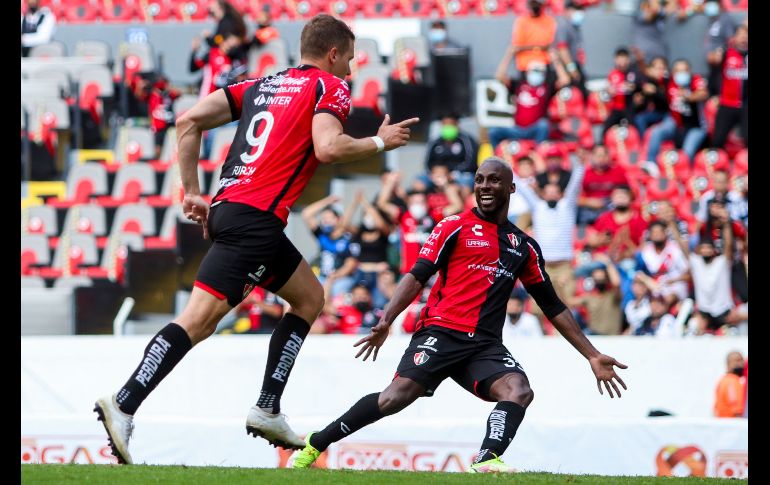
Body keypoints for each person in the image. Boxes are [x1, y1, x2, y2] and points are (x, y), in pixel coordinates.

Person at [93, 14, 419, 464]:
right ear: (332, 54)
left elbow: (187, 121)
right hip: (256, 221)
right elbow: (328, 148)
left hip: (232, 210)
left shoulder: (262, 85)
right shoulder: (330, 86)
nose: (350, 68)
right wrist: (379, 142)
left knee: (309, 297)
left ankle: (267, 407)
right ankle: (125, 402)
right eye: (348, 57)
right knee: (197, 321)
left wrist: (191, 192)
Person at [290, 158, 628, 472]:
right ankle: (316, 442)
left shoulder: (523, 246)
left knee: (519, 390)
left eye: (493, 180)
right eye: (479, 180)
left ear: (511, 188)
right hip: (441, 332)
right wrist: (386, 319)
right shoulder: (453, 225)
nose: (484, 186)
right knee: (395, 397)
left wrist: (592, 354)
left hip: (484, 345)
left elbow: (552, 305)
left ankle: (486, 459)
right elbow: (417, 275)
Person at [513, 150, 585, 313]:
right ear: (543, 194)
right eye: (548, 191)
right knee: (537, 309)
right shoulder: (537, 207)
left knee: (567, 307)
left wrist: (579, 165)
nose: (552, 194)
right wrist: (505, 167)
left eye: (555, 191)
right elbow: (521, 188)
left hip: (564, 266)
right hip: (543, 267)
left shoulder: (567, 206)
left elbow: (574, 185)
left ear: (561, 194)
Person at [490, 51, 570, 148]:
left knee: (544, 125)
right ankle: (498, 155)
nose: (536, 74)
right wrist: (510, 54)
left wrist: (555, 60)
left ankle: (539, 153)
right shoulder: (519, 85)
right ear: (528, 72)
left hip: (535, 130)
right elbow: (499, 77)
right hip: (517, 129)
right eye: (534, 71)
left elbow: (565, 80)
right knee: (494, 131)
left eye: (540, 72)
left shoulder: (547, 88)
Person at [645, 59, 709, 164]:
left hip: (696, 126)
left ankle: (685, 171)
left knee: (686, 153)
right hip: (676, 122)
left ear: (689, 71)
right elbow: (651, 72)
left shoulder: (695, 80)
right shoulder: (669, 81)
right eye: (678, 71)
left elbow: (703, 93)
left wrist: (689, 96)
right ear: (673, 72)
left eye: (684, 70)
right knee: (656, 132)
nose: (681, 74)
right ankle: (650, 163)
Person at [711, 25, 748, 149]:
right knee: (717, 141)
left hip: (746, 105)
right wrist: (714, 94)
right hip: (727, 104)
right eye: (741, 35)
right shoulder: (726, 54)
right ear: (734, 38)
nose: (744, 38)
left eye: (746, 35)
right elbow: (715, 74)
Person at [424, 114, 479, 190]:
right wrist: (435, 172)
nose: (448, 127)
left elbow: (471, 163)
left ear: (457, 124)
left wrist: (451, 173)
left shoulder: (467, 140)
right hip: (437, 174)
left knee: (465, 184)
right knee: (420, 182)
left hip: (461, 174)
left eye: (450, 124)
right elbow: (428, 163)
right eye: (445, 124)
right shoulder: (435, 142)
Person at [578, 144, 629, 225]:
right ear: (592, 156)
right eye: (598, 155)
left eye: (604, 155)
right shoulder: (584, 174)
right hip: (589, 208)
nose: (601, 158)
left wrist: (616, 198)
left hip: (612, 207)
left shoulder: (618, 172)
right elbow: (572, 197)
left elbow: (630, 193)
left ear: (609, 157)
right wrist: (588, 202)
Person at [701, 0, 737, 97]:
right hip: (711, 66)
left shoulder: (725, 18)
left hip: (722, 64)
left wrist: (720, 52)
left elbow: (731, 41)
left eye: (712, 3)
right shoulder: (711, 19)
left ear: (719, 4)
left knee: (719, 93)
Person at [603, 48, 642, 136]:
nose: (622, 63)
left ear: (628, 60)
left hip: (629, 107)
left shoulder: (633, 73)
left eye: (624, 60)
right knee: (606, 128)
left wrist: (634, 88)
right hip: (616, 107)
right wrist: (609, 91)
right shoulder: (612, 73)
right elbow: (607, 90)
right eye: (619, 60)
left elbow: (639, 86)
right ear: (615, 60)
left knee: (633, 129)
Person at [511, 0, 557, 73]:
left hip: (545, 63)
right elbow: (517, 46)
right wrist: (539, 47)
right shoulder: (522, 21)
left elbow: (549, 45)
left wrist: (530, 47)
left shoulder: (549, 21)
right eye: (533, 3)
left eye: (536, 4)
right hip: (525, 65)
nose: (534, 7)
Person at [554, 0, 587, 99]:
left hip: (574, 65)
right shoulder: (563, 26)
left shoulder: (575, 26)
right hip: (567, 68)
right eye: (576, 10)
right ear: (567, 10)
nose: (580, 13)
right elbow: (562, 49)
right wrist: (571, 69)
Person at [714, 351, 746, 417]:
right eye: (737, 361)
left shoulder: (724, 380)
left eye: (742, 360)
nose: (742, 364)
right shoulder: (731, 382)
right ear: (728, 364)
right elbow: (737, 410)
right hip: (731, 421)